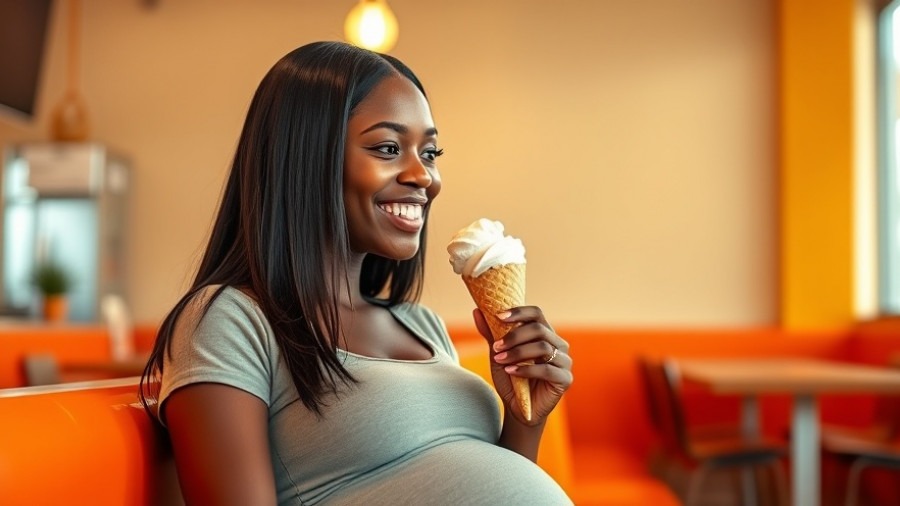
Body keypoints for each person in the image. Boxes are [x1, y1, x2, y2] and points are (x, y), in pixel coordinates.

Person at [140, 40, 574, 505]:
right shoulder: (229, 321)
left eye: (429, 153)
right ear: (305, 158)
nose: (424, 176)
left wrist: (525, 420)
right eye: (389, 148)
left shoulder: (420, 324)